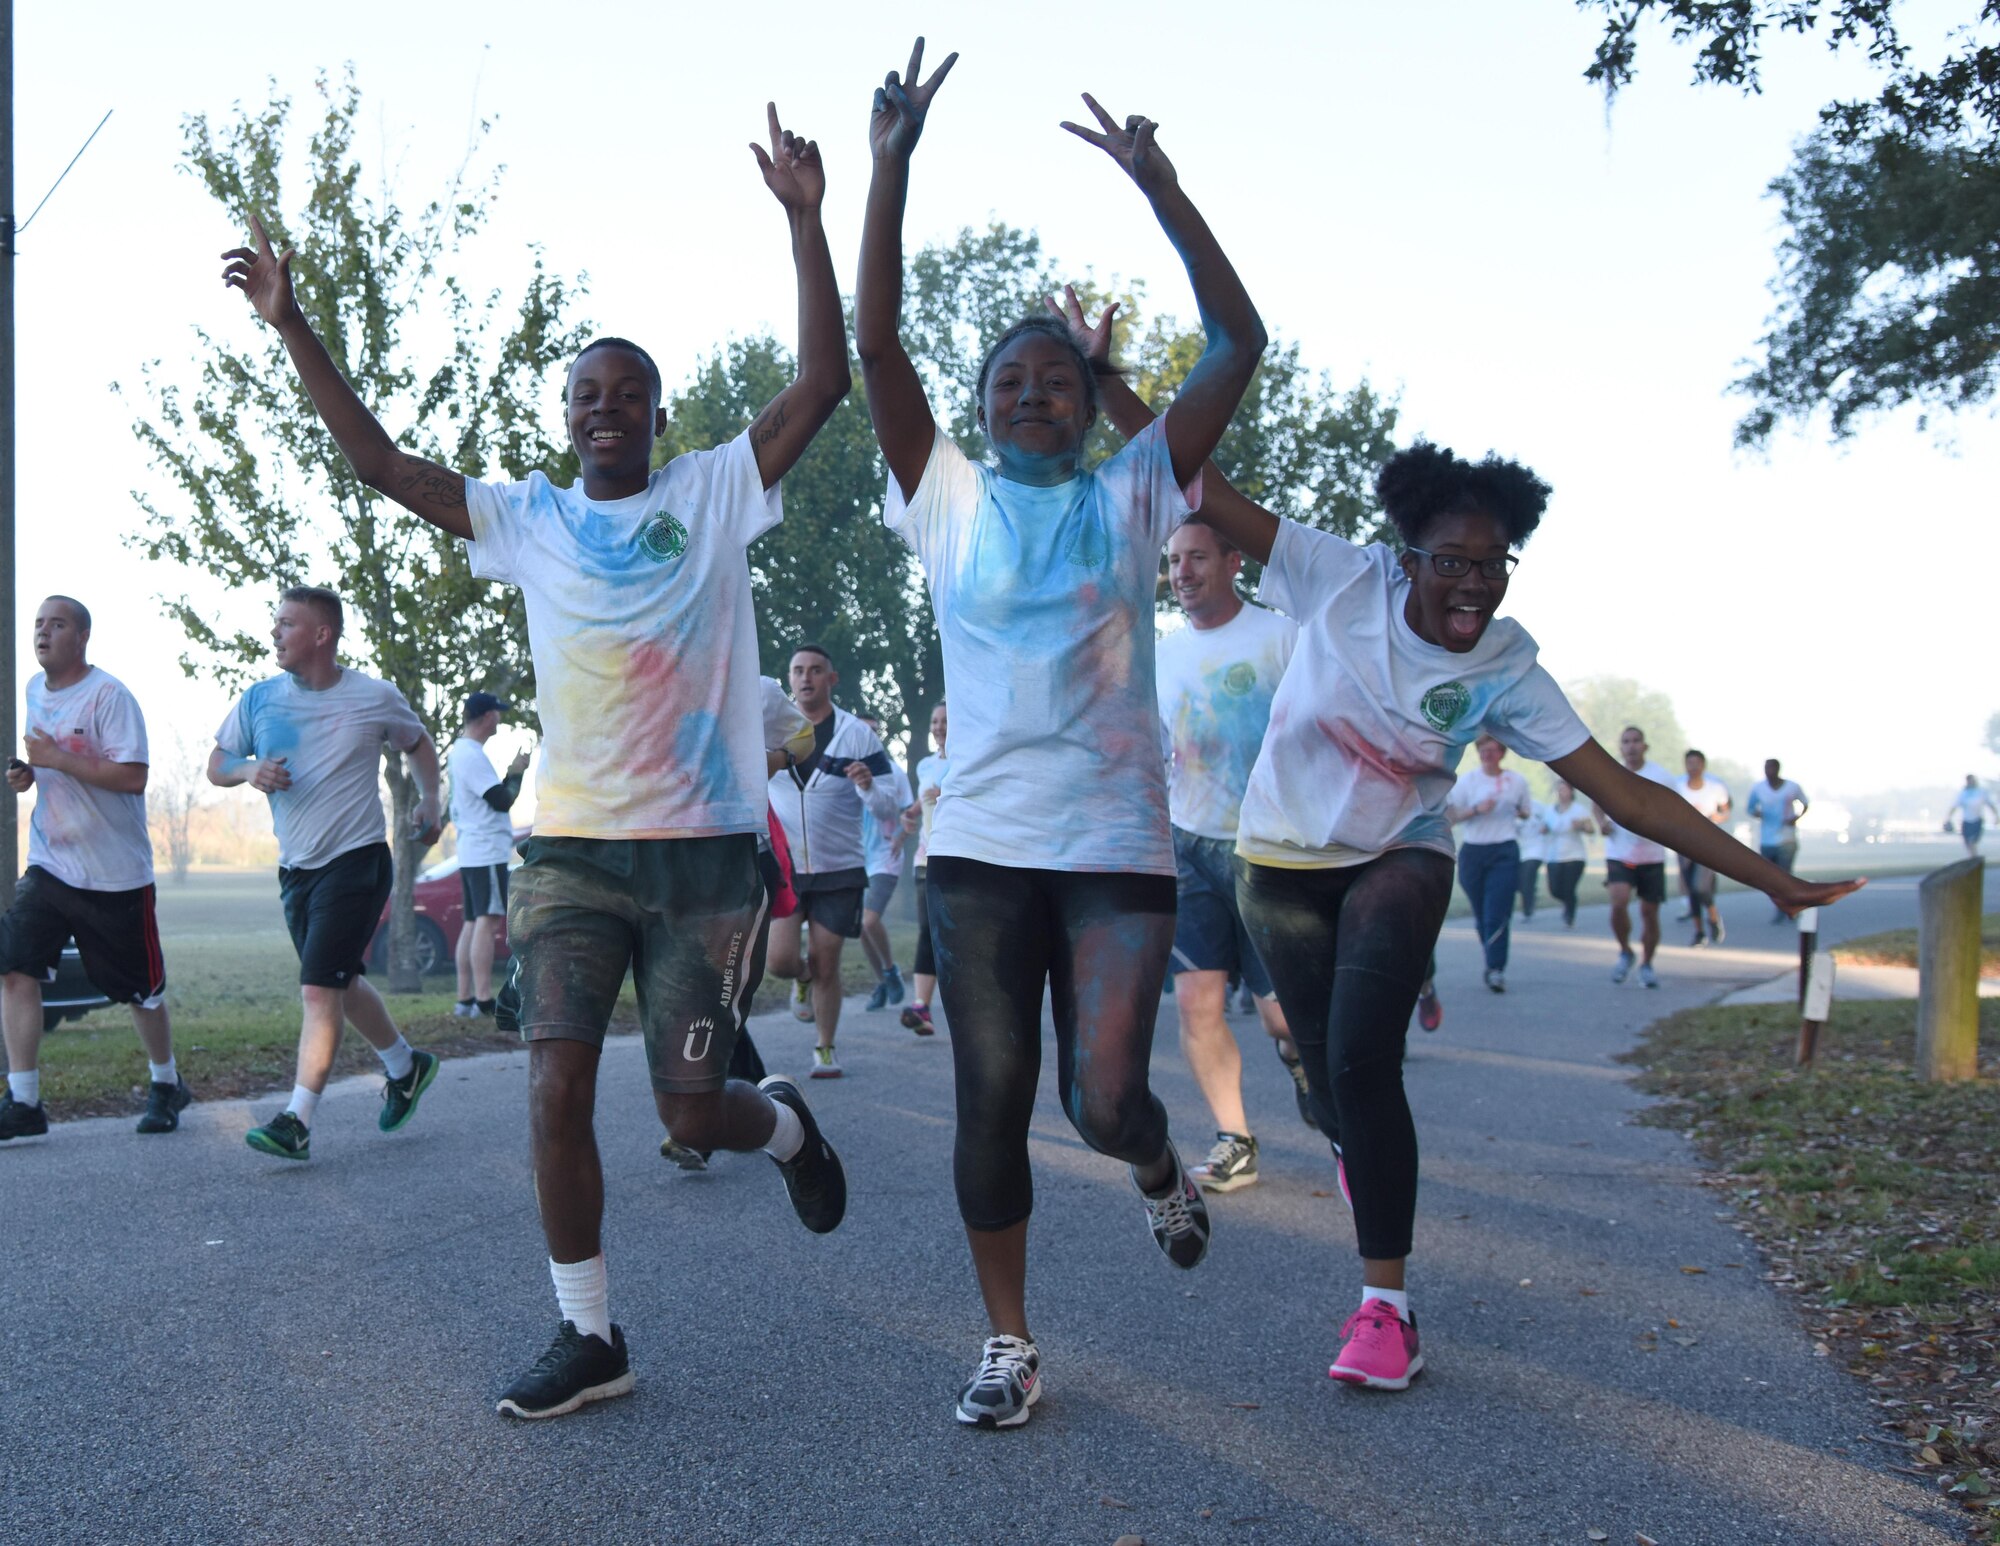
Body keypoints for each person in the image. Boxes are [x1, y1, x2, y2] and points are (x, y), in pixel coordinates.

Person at [222, 100, 853, 1421]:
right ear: (564, 417)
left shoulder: (715, 490)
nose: (605, 408)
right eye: (585, 394)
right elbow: (382, 461)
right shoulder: (525, 515)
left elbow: (820, 387)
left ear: (659, 413)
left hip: (700, 861)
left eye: (627, 393)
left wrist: (806, 222)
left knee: (691, 1114)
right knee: (557, 1082)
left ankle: (781, 1120)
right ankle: (590, 1333)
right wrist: (294, 326)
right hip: (567, 848)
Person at [1073, 378, 1862, 1392]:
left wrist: (1774, 883)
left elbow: (1624, 796)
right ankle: (1354, 1146)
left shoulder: (1505, 666)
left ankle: (1384, 1309)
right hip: (1276, 863)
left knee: (1363, 1067)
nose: (1475, 586)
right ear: (1407, 557)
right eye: (1452, 562)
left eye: (1493, 567)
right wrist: (1106, 387)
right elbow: (1196, 476)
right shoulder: (1336, 577)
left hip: (1402, 852)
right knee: (1322, 1093)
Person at [858, 39, 1266, 1429]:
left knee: (1100, 1101)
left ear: (1094, 406)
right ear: (978, 415)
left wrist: (1162, 184)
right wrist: (888, 171)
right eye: (1007, 384)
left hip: (1111, 843)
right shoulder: (948, 499)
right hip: (976, 846)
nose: (1029, 394)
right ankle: (1010, 1341)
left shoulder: (1135, 497)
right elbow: (875, 345)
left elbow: (1238, 343)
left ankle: (1158, 1166)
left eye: (1056, 382)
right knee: (991, 1098)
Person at [208, 587, 445, 1159]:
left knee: (319, 988)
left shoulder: (373, 696)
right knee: (339, 980)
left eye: (286, 624)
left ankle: (297, 1120)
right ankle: (404, 1066)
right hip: (297, 869)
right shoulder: (260, 700)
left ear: (322, 635)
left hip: (358, 860)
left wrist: (432, 801)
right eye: (275, 623)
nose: (275, 634)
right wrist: (249, 771)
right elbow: (218, 765)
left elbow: (418, 744)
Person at [1154, 513, 1307, 1191]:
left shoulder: (1282, 638)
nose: (1181, 573)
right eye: (1173, 561)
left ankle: (1310, 1073)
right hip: (1189, 849)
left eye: (1195, 559)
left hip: (1271, 853)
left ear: (1233, 561)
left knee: (1284, 1019)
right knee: (1197, 1004)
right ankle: (1234, 1139)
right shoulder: (1160, 655)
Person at [0, 596, 186, 1141]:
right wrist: (30, 775)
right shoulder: (35, 691)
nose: (42, 632)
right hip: (51, 862)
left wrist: (56, 760)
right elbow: (51, 763)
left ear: (81, 637)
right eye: (38, 624)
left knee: (140, 991)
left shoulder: (111, 696)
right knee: (13, 965)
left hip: (115, 875)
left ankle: (165, 1083)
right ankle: (25, 1101)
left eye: (56, 624)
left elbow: (132, 777)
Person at [765, 645, 901, 1077]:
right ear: (789, 679)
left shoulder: (857, 735)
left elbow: (888, 807)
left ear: (831, 678)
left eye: (816, 671)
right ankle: (800, 979)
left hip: (840, 868)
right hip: (785, 867)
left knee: (828, 960)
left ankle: (825, 1048)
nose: (806, 678)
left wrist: (866, 787)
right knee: (780, 962)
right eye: (799, 671)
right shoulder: (772, 728)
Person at [447, 691, 529, 1016]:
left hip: (473, 850)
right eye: (497, 713)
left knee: (472, 922)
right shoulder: (470, 754)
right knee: (487, 921)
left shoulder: (461, 751)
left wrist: (510, 773)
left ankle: (464, 998)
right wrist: (517, 772)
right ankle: (482, 1000)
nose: (500, 719)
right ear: (487, 716)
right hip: (486, 850)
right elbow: (501, 800)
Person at [1446, 735, 1532, 991]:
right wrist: (1475, 810)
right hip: (1473, 851)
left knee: (1497, 912)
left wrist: (1520, 812)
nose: (1488, 754)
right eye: (1483, 750)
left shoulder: (1516, 781)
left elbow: (1526, 811)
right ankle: (1492, 957)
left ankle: (1496, 968)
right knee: (1482, 914)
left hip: (1504, 850)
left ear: (1502, 753)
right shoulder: (1467, 782)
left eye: (1493, 750)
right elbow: (1451, 816)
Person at [1593, 727, 1676, 987]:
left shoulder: (1660, 776)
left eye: (1636, 741)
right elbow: (1597, 802)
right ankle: (1625, 951)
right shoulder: (1611, 774)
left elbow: (1675, 808)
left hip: (1651, 854)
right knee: (1619, 901)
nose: (1631, 746)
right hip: (1619, 851)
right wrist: (1601, 823)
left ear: (1645, 746)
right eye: (1626, 742)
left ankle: (1647, 964)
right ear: (1620, 747)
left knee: (1649, 912)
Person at [855, 711, 913, 1012]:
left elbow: (909, 813)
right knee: (860, 926)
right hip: (856, 859)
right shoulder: (846, 773)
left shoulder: (893, 772)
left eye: (874, 731)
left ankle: (890, 971)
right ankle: (881, 981)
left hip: (885, 858)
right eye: (863, 731)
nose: (869, 736)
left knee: (869, 920)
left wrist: (900, 838)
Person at [900, 700, 947, 1036]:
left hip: (960, 858)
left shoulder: (968, 762)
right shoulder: (925, 766)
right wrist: (911, 813)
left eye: (945, 721)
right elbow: (922, 800)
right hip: (925, 858)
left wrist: (946, 794)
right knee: (926, 931)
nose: (939, 727)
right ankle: (921, 1007)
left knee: (955, 933)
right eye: (934, 721)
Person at [1674, 749, 1731, 946]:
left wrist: (1716, 817)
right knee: (1691, 890)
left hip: (1707, 844)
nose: (1693, 767)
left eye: (1696, 763)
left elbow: (1725, 812)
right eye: (1689, 763)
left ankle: (1714, 918)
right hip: (1683, 843)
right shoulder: (1677, 785)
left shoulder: (1715, 787)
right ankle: (1699, 932)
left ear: (1703, 766)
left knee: (1701, 887)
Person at [1745, 759, 1809, 923]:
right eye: (1766, 768)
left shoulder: (1792, 787)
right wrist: (1761, 815)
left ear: (1778, 769)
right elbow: (1751, 808)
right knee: (1771, 877)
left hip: (1787, 838)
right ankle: (1782, 905)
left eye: (1772, 768)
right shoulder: (1758, 788)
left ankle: (1787, 907)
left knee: (1785, 874)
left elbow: (1805, 803)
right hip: (1767, 839)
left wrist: (1796, 817)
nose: (1769, 771)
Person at [1536, 779, 1592, 928]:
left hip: (1574, 856)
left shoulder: (1579, 810)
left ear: (1571, 792)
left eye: (1564, 790)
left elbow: (1590, 829)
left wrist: (1580, 826)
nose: (1561, 793)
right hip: (1554, 856)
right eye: (1559, 790)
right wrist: (1543, 829)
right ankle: (1568, 903)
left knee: (1568, 888)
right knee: (1555, 889)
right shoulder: (1549, 811)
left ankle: (1569, 915)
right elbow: (1543, 827)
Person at [1950, 775, 1999, 855]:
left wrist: (1996, 816)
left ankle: (1974, 857)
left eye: (1972, 780)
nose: (1971, 782)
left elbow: (1990, 805)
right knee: (1967, 842)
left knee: (1972, 841)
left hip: (1977, 820)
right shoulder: (1963, 793)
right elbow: (1954, 806)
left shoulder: (1981, 792)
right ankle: (1973, 856)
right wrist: (1948, 818)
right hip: (1966, 820)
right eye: (1969, 780)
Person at [1515, 800, 1544, 921]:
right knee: (1519, 882)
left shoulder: (1538, 807)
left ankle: (1528, 910)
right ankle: (1531, 893)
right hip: (1517, 849)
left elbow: (1548, 822)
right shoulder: (1507, 807)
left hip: (1535, 850)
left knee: (1527, 879)